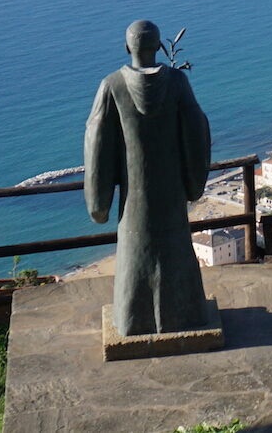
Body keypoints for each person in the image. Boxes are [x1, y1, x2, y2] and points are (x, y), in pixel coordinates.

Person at [85, 19, 214, 337]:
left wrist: (98, 204)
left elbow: (96, 142)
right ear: (158, 47)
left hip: (135, 198)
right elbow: (197, 129)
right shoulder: (177, 82)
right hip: (170, 193)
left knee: (134, 252)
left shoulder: (112, 85)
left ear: (128, 47)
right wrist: (194, 184)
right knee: (175, 248)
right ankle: (186, 314)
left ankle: (132, 319)